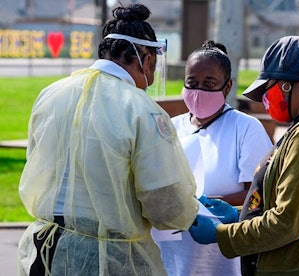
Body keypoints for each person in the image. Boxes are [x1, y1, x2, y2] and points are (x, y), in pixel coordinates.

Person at [17, 4, 199, 275]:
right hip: (107, 258)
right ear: (146, 59)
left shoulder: (52, 93)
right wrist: (193, 214)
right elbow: (165, 203)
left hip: (44, 251)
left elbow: (38, 163)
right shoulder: (141, 110)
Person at [188, 35, 299, 275]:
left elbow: (287, 223)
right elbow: (298, 207)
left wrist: (221, 234)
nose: (265, 101)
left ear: (287, 85)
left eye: (267, 90)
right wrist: (239, 214)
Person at [155, 40, 273, 275]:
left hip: (222, 252)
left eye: (209, 84)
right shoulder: (170, 126)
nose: (199, 91)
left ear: (227, 87)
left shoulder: (246, 127)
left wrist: (213, 204)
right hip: (173, 251)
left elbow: (259, 194)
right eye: (192, 83)